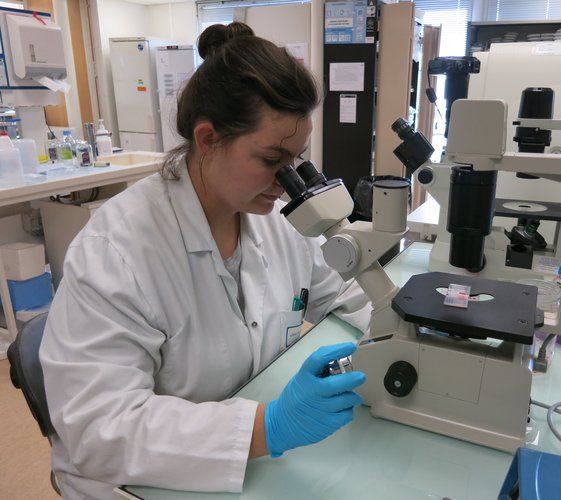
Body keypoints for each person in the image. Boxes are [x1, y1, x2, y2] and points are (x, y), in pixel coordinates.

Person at [40, 22, 371, 499]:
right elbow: (98, 429)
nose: (287, 181)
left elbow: (344, 290)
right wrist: (268, 427)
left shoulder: (276, 220)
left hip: (241, 455)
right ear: (208, 139)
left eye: (296, 160)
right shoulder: (117, 252)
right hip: (135, 481)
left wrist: (412, 325)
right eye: (271, 159)